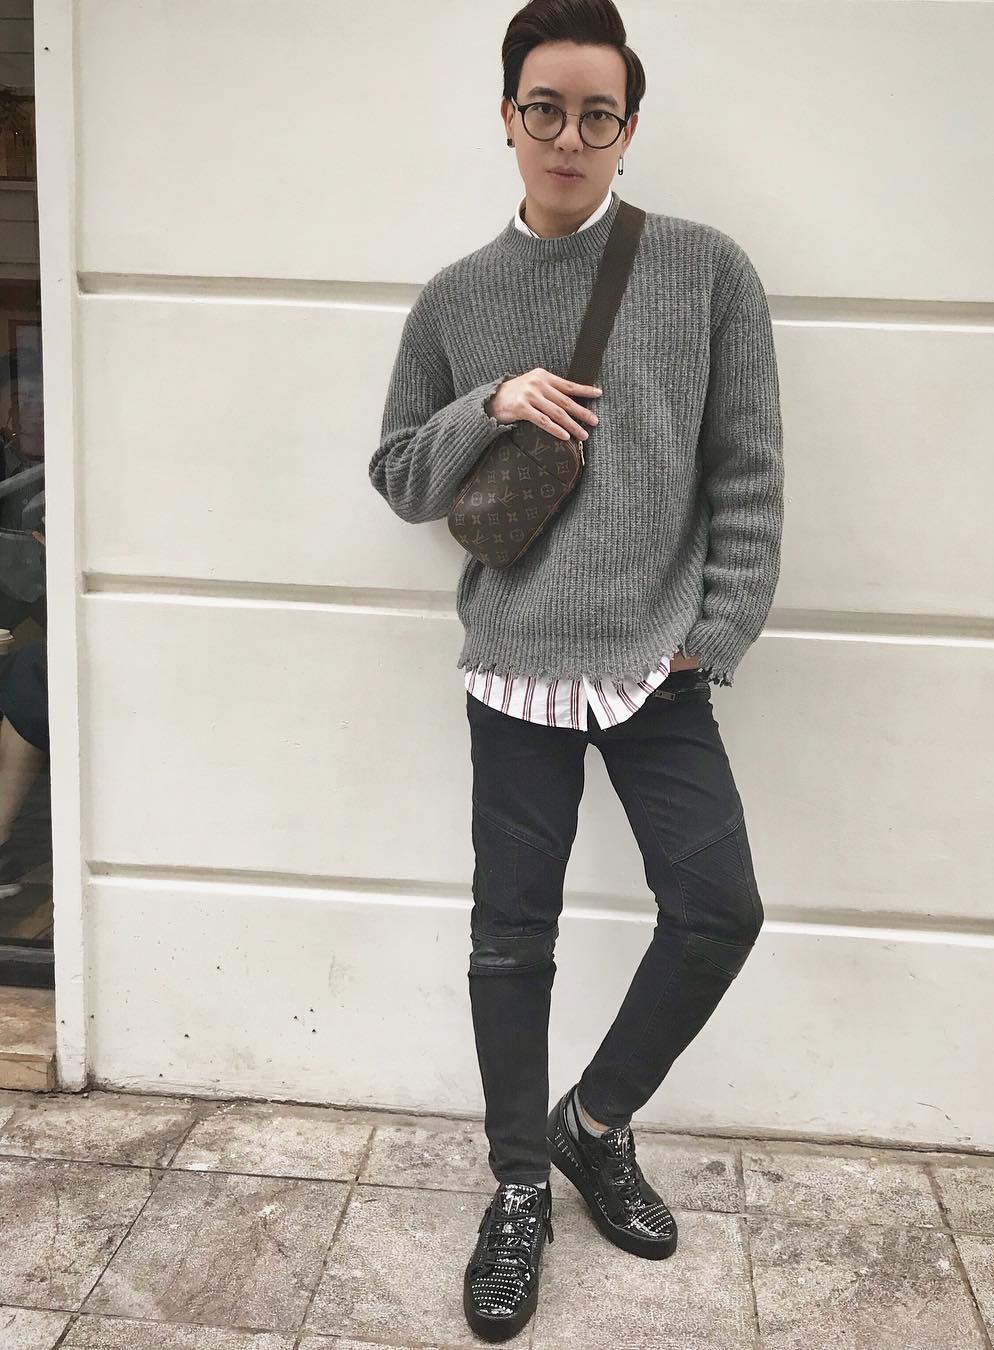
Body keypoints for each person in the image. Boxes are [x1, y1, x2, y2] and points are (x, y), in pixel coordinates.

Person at [369, 0, 784, 1339]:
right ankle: (516, 1190)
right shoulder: (457, 298)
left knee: (717, 909)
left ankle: (591, 1125)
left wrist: (716, 631)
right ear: (508, 116)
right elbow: (398, 475)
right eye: (544, 108)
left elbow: (748, 469)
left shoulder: (705, 272)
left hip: (657, 665)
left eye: (597, 114)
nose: (568, 135)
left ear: (629, 128)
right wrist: (488, 403)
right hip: (516, 672)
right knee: (512, 936)